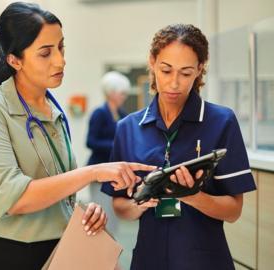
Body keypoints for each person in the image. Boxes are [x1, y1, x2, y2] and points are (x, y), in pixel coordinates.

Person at [0, 2, 155, 269]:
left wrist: (83, 212)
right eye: (45, 53)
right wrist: (92, 173)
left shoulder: (53, 109)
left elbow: (59, 189)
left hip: (61, 249)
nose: (60, 60)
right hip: (8, 255)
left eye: (61, 47)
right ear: (14, 60)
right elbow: (15, 198)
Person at [102, 24, 257, 270]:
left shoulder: (221, 121)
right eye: (166, 70)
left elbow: (233, 210)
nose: (174, 83)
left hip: (204, 260)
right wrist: (139, 204)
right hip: (148, 258)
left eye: (185, 73)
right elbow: (119, 205)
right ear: (152, 62)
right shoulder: (128, 128)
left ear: (199, 69)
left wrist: (192, 196)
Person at [86, 71, 130, 234]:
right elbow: (90, 141)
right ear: (111, 93)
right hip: (98, 175)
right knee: (100, 216)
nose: (124, 97)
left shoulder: (122, 114)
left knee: (112, 220)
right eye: (122, 93)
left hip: (114, 176)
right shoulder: (99, 114)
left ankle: (109, 254)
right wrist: (115, 145)